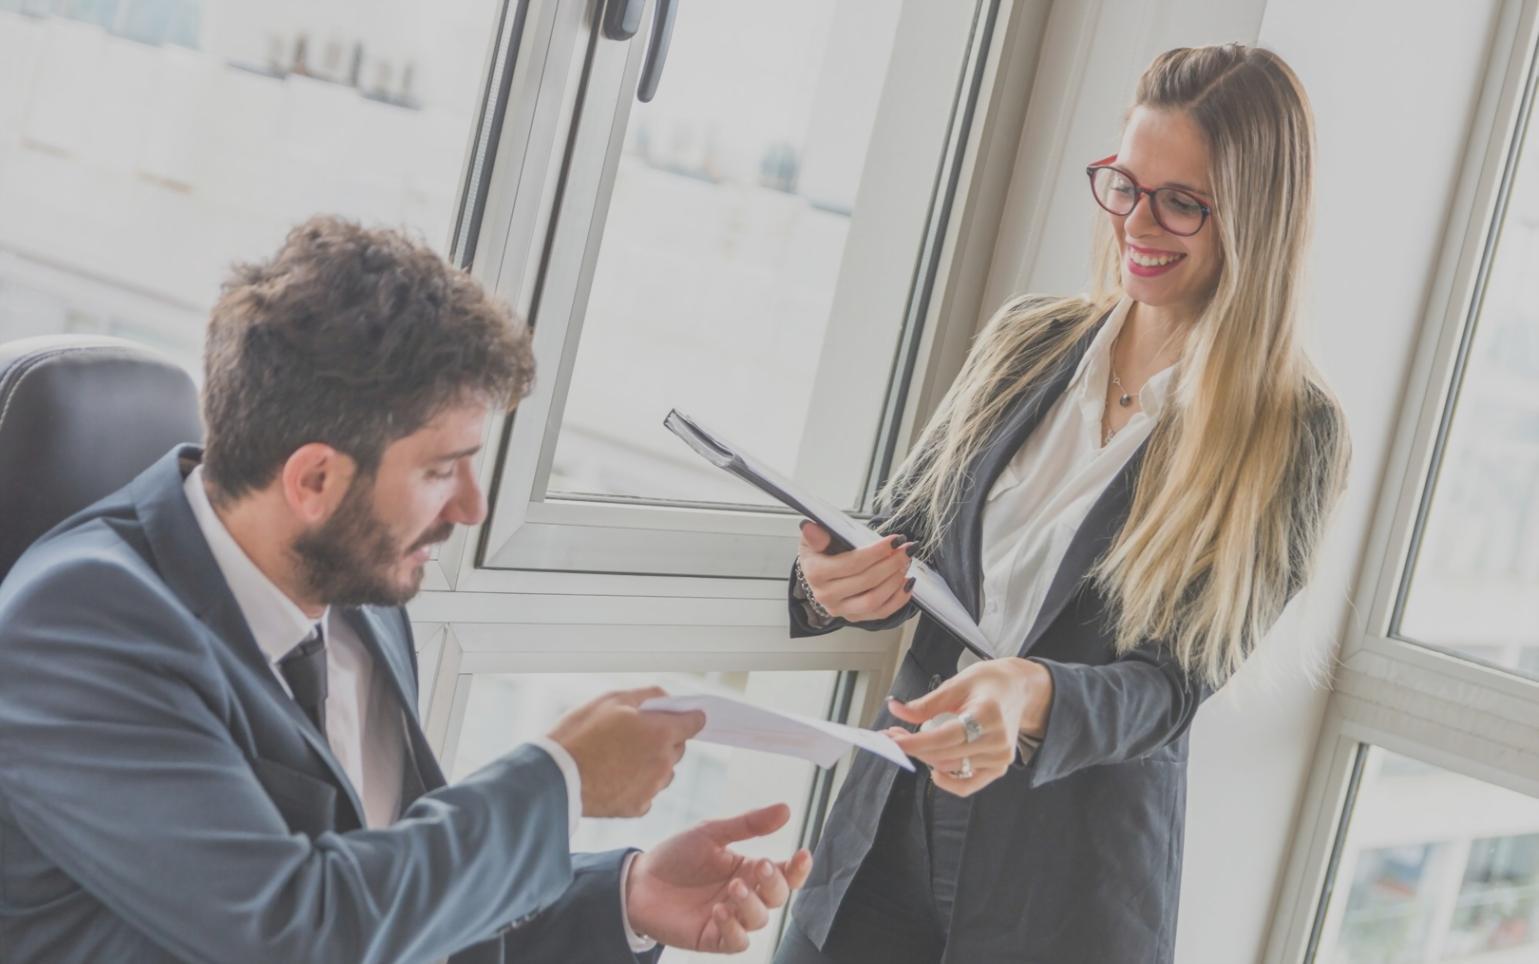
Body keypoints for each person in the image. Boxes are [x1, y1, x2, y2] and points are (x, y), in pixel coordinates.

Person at [0, 217, 811, 963]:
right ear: (314, 478)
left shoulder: (353, 598)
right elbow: (296, 932)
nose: (471, 507)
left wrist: (624, 898)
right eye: (439, 470)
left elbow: (394, 901)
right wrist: (559, 781)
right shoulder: (76, 630)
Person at [774, 43, 1351, 964]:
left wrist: (1027, 691)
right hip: (886, 833)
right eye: (1124, 183)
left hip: (1066, 895)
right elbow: (902, 526)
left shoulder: (1287, 433)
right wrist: (829, 578)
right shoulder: (1027, 341)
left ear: (1256, 219)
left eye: (1181, 202)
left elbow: (1170, 686)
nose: (1138, 222)